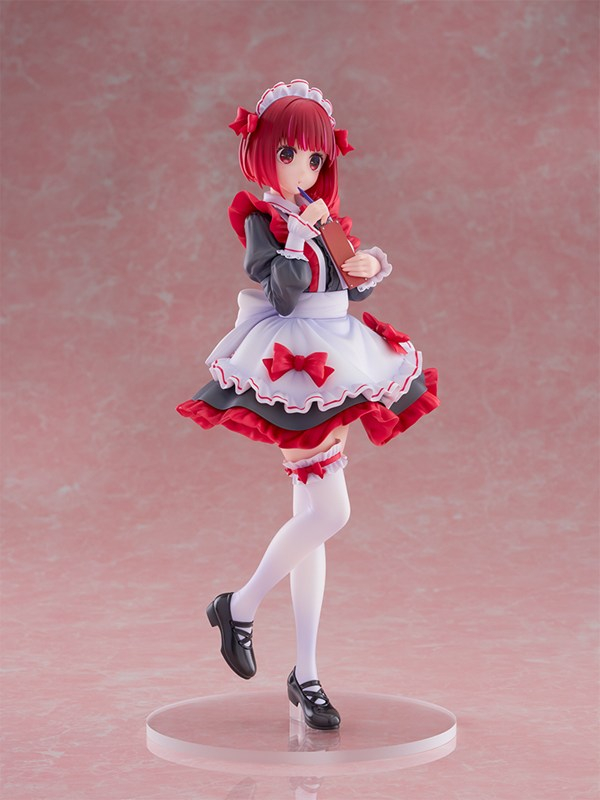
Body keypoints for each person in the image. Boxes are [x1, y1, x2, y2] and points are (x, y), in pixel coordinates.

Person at [177, 79, 439, 730]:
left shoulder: (324, 217)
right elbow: (284, 292)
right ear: (264, 153)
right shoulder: (261, 219)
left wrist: (359, 265)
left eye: (315, 158)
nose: (303, 168)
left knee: (312, 522)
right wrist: (296, 237)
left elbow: (350, 287)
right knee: (329, 511)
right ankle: (239, 606)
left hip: (337, 348)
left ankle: (307, 673)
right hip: (293, 358)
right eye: (290, 153)